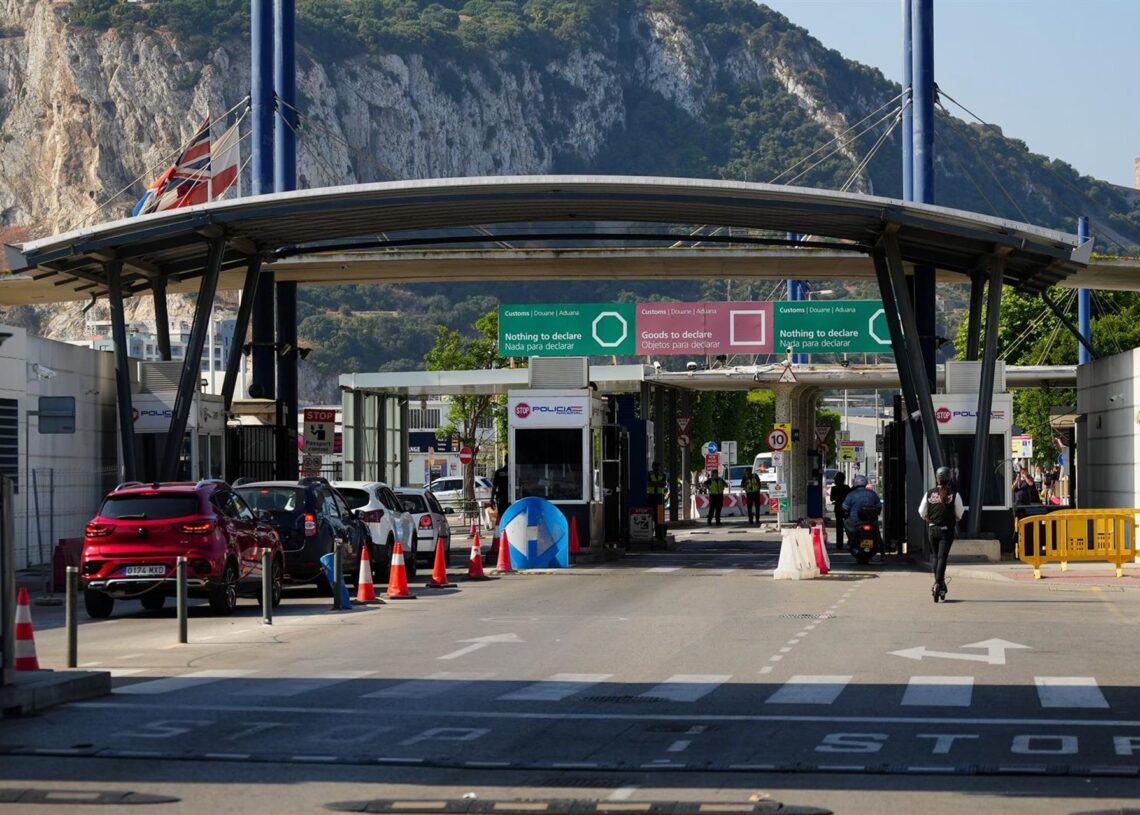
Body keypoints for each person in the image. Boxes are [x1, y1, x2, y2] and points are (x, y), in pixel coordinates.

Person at [920, 465, 965, 602]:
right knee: (942, 557)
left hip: (932, 530)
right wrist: (954, 519)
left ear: (937, 479)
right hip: (946, 530)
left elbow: (922, 511)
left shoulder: (929, 493)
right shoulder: (954, 494)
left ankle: (938, 583)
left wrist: (928, 518)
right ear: (949, 478)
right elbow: (959, 513)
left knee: (935, 557)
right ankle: (939, 583)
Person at [840, 473, 881, 543]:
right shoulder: (873, 494)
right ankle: (880, 544)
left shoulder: (851, 494)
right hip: (871, 520)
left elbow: (844, 508)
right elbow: (879, 507)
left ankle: (851, 541)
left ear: (855, 483)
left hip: (855, 521)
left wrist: (846, 513)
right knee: (876, 532)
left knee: (846, 523)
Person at [829, 472, 852, 553]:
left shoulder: (834, 488)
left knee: (839, 527)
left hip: (838, 509)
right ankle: (850, 542)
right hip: (846, 509)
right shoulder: (847, 488)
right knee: (848, 526)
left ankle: (839, 545)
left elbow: (832, 499)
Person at [647, 461, 667, 542]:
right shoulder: (649, 474)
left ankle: (659, 534)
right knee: (650, 515)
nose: (656, 468)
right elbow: (648, 484)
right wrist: (658, 483)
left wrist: (654, 483)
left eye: (657, 467)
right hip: (651, 496)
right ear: (652, 467)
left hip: (659, 497)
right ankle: (650, 532)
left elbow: (663, 484)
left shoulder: (663, 474)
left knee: (659, 516)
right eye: (655, 466)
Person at [491, 455, 510, 522]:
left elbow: (494, 487)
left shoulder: (499, 472)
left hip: (501, 499)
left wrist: (492, 499)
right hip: (512, 500)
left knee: (502, 518)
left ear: (505, 460)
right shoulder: (515, 472)